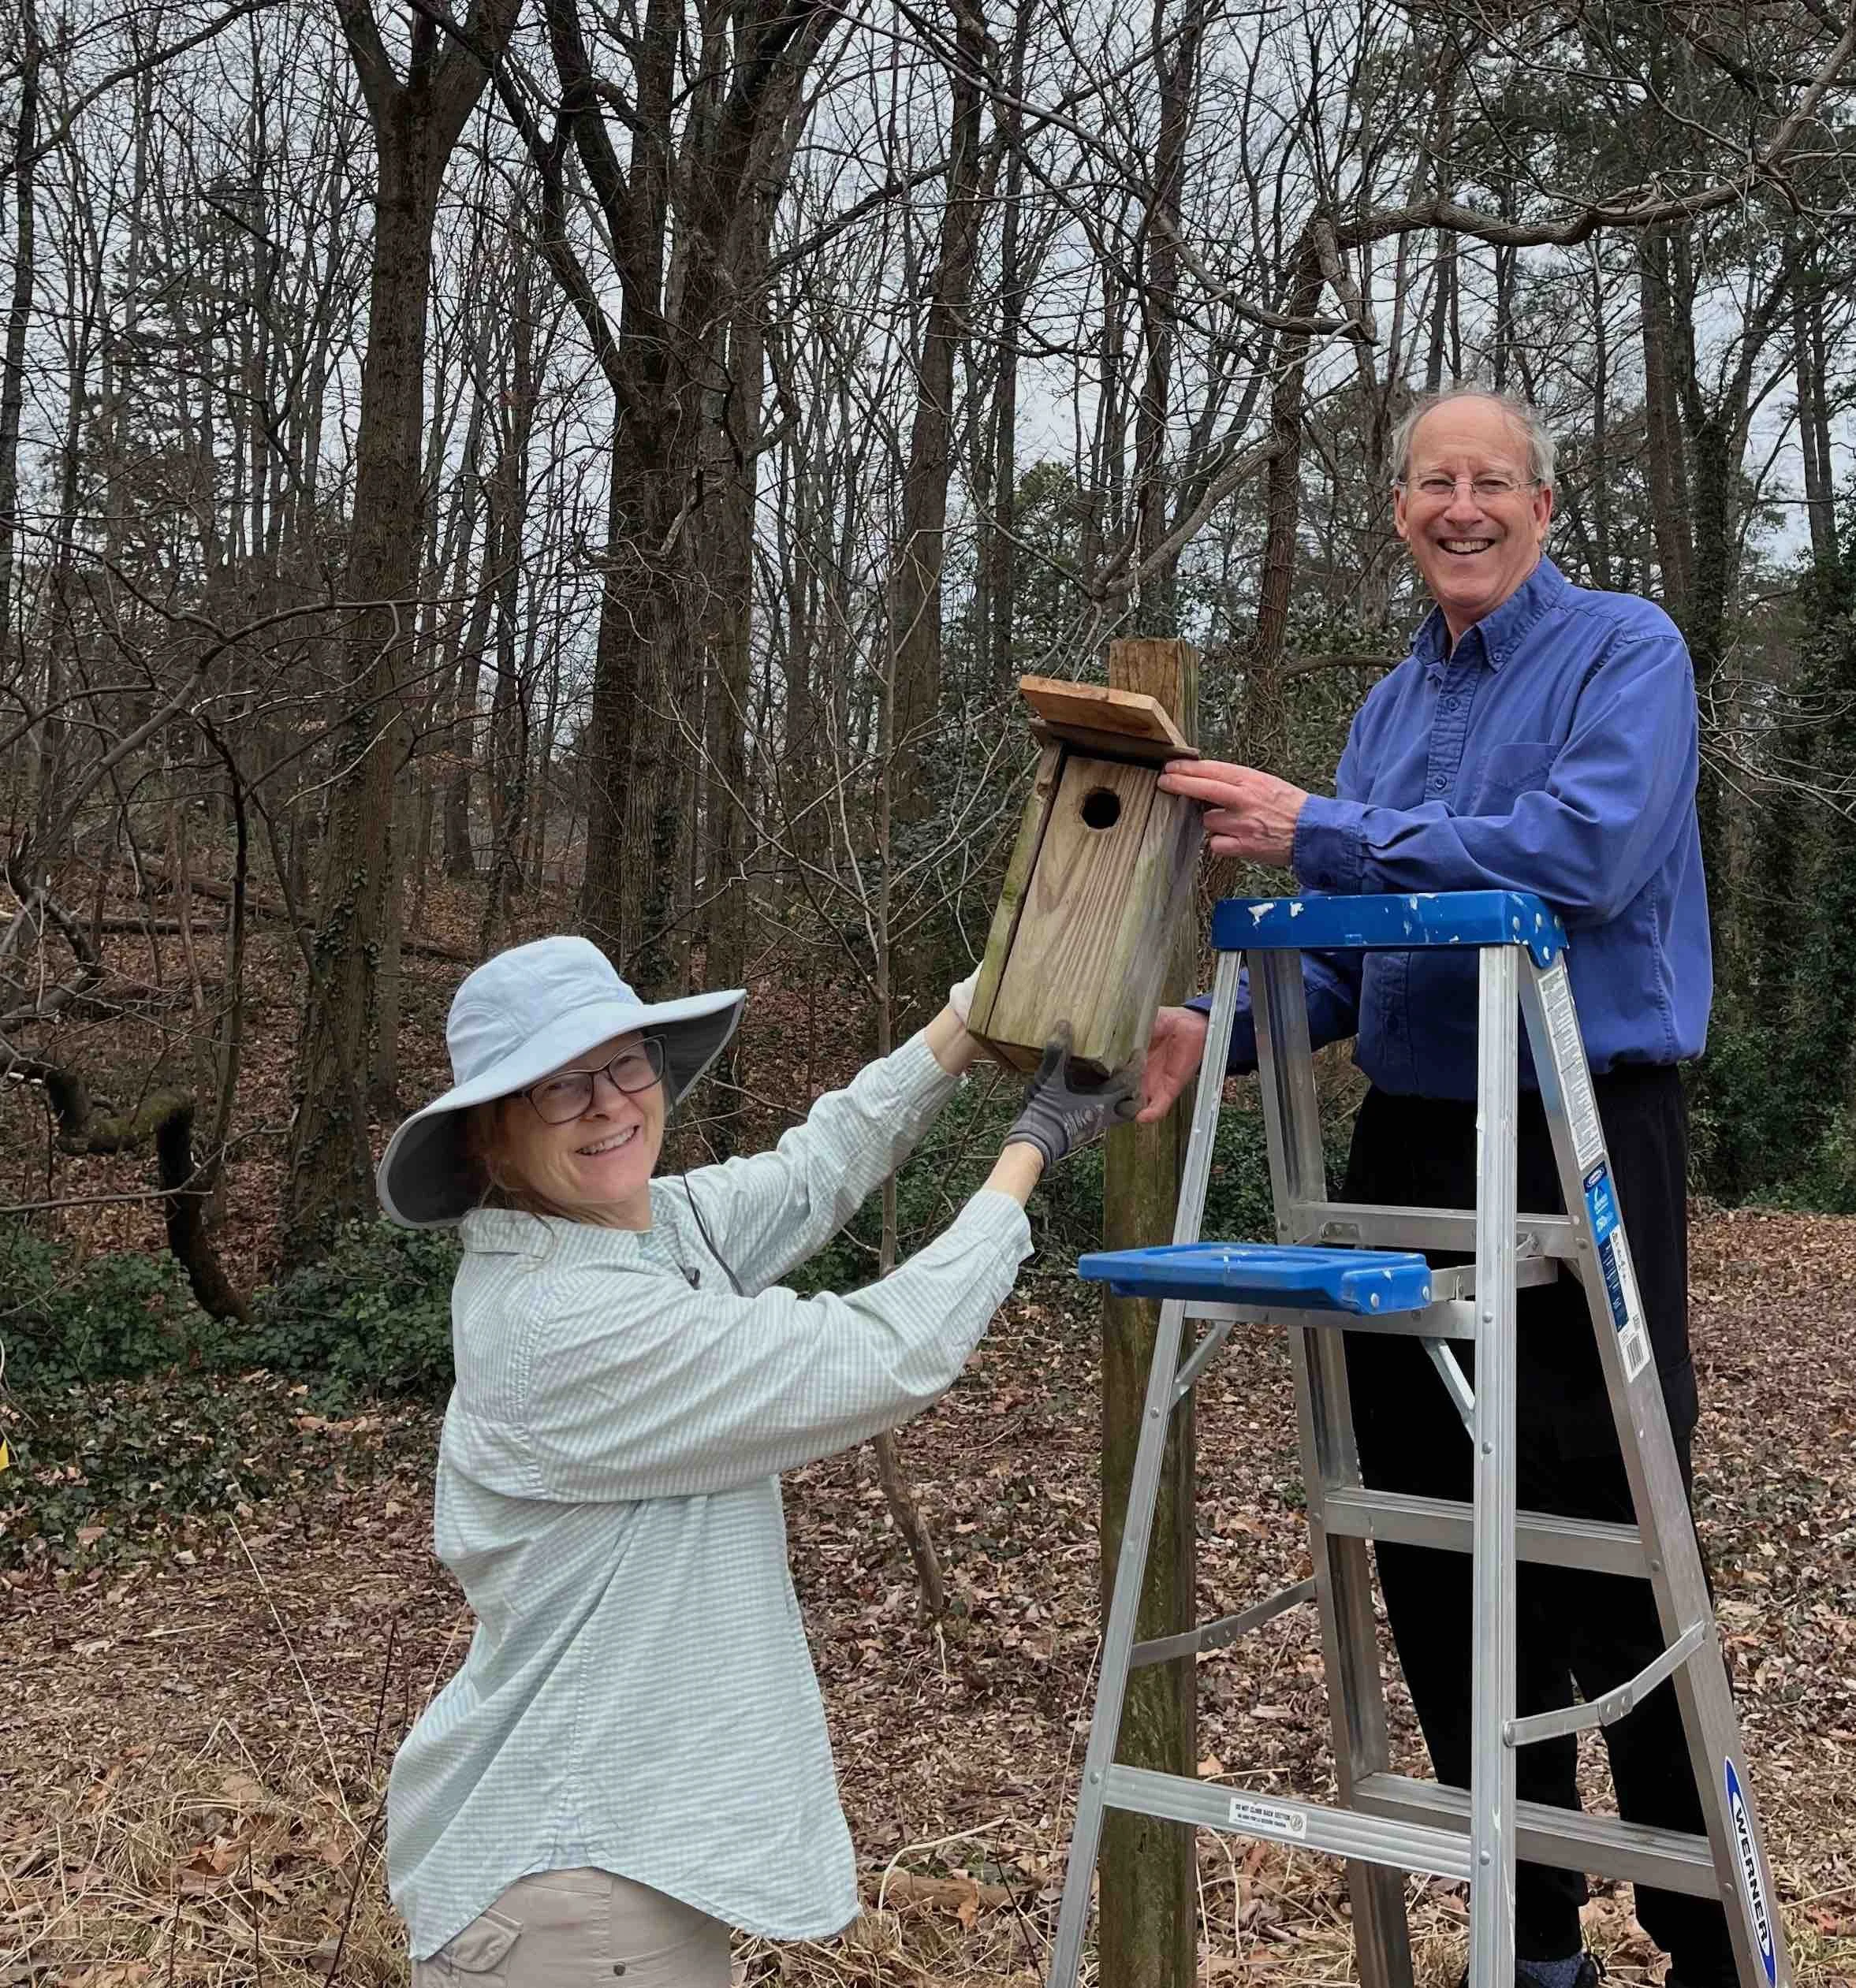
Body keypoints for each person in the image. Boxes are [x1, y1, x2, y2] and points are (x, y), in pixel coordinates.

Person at [1139, 387, 1727, 1988]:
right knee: (1439, 1549)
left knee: (1608, 1528)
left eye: (1489, 482)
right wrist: (1221, 1026)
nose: (1459, 507)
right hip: (1410, 1141)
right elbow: (1359, 965)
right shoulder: (1393, 707)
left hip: (1578, 1130)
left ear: (1543, 505)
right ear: (1395, 511)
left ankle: (1697, 1928)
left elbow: (1580, 855)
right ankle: (1528, 1938)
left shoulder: (1625, 652)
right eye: (1429, 483)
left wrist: (1320, 828)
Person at [376, 934, 1133, 1985]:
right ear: (490, 1145)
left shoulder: (638, 1232)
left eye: (623, 1064)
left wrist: (972, 1012)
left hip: (600, 1864)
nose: (606, 1103)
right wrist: (1033, 1145)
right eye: (557, 1087)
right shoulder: (563, 1321)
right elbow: (881, 1352)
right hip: (567, 1882)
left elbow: (816, 1168)